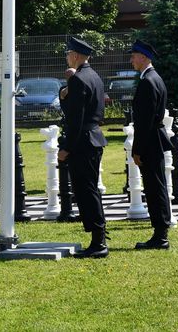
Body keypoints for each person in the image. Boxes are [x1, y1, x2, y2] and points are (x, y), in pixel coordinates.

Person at [57, 36, 108, 259]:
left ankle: (98, 241)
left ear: (76, 56)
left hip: (83, 141)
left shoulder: (78, 79)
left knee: (86, 191)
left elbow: (75, 118)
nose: (67, 58)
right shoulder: (94, 76)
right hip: (94, 137)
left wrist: (66, 147)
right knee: (90, 189)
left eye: (68, 54)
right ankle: (99, 236)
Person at [130, 39, 173, 250]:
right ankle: (160, 232)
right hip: (154, 138)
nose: (131, 59)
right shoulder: (155, 78)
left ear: (144, 57)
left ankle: (160, 235)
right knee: (157, 186)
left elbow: (144, 121)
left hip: (150, 141)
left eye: (134, 55)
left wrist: (137, 149)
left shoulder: (148, 81)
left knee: (155, 188)